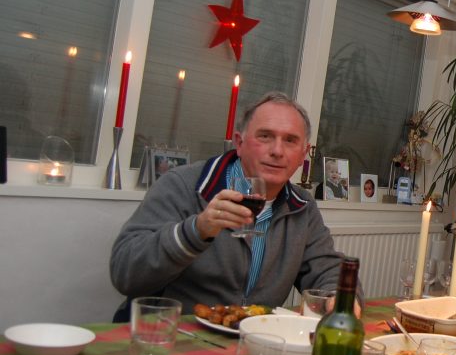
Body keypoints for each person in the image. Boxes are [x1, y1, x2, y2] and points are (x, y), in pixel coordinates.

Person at [110, 92, 361, 318]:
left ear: (303, 155)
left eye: (290, 140)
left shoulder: (302, 207)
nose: (277, 150)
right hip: (169, 334)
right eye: (265, 136)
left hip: (252, 339)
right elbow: (125, 273)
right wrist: (196, 231)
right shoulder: (183, 184)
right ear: (239, 143)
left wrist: (338, 297)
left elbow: (327, 269)